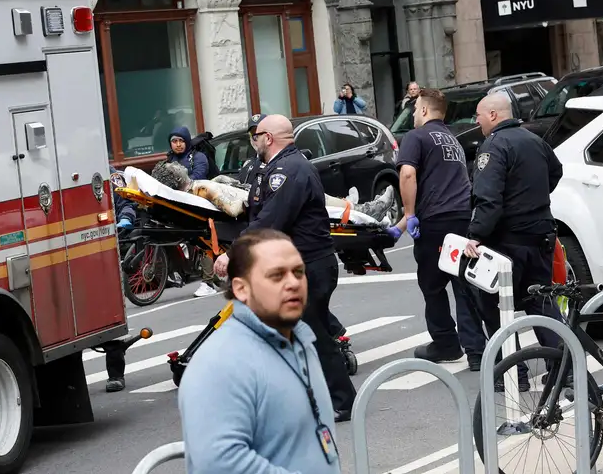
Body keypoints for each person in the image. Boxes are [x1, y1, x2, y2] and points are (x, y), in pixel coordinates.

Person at [214, 114, 356, 421]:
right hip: (303, 265)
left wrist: (233, 252)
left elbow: (270, 220)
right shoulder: (278, 168)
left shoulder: (288, 170)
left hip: (310, 266)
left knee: (313, 335)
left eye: (257, 135)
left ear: (268, 138)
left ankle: (343, 401)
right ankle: (313, 398)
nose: (254, 141)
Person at [179, 229, 341, 474]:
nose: (293, 283)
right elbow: (219, 464)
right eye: (276, 275)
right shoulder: (219, 362)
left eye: (298, 272)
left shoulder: (300, 338)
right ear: (241, 288)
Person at [465, 92, 565, 381]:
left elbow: (488, 200)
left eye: (479, 115)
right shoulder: (535, 140)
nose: (477, 121)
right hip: (541, 235)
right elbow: (555, 173)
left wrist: (476, 235)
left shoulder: (493, 147)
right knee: (540, 302)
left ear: (494, 115)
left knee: (494, 305)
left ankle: (513, 373)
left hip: (508, 241)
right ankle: (562, 370)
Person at [391, 88, 488, 371]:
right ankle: (476, 351)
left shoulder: (415, 137)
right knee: (463, 284)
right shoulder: (452, 140)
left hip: (436, 223)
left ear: (423, 110)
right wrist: (399, 226)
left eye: (415, 108)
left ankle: (446, 342)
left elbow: (408, 174)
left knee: (432, 285)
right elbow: (439, 186)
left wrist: (408, 215)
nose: (412, 114)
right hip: (461, 218)